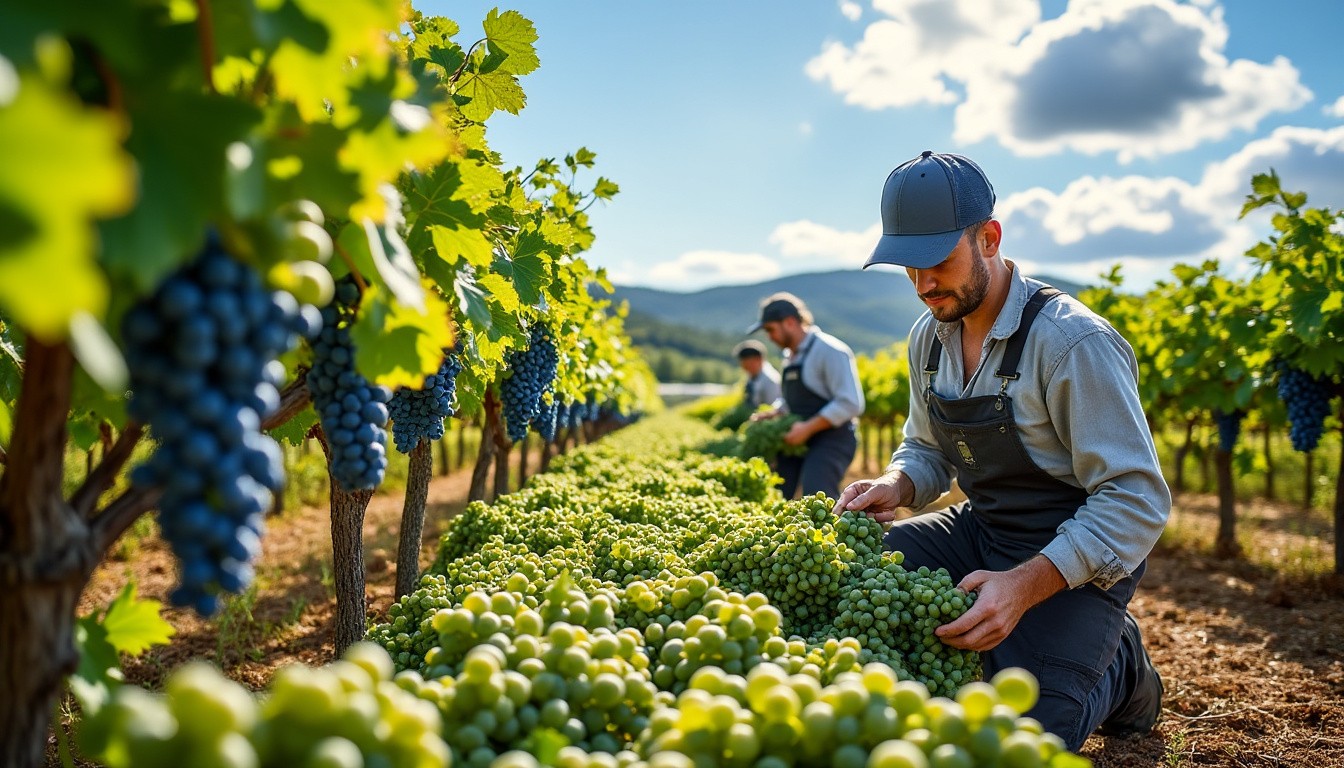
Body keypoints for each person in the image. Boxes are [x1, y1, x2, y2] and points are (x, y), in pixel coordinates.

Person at [834, 150, 1169, 751]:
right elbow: (925, 446)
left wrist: (1025, 585)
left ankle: (1121, 662)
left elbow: (1136, 499)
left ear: (989, 238)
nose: (923, 285)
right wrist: (900, 484)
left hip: (1070, 557)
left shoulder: (1072, 342)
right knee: (849, 568)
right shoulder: (929, 338)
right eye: (908, 268)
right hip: (983, 529)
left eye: (936, 261)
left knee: (1025, 736)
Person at [747, 292, 864, 500]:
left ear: (790, 322)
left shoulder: (829, 350)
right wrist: (776, 412)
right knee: (777, 491)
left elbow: (850, 403)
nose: (769, 336)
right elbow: (790, 399)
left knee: (817, 494)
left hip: (832, 438)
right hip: (799, 436)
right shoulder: (789, 356)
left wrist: (808, 428)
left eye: (770, 329)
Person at [732, 339, 782, 410]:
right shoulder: (753, 374)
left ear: (758, 359)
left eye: (747, 364)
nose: (744, 367)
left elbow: (772, 408)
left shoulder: (770, 381)